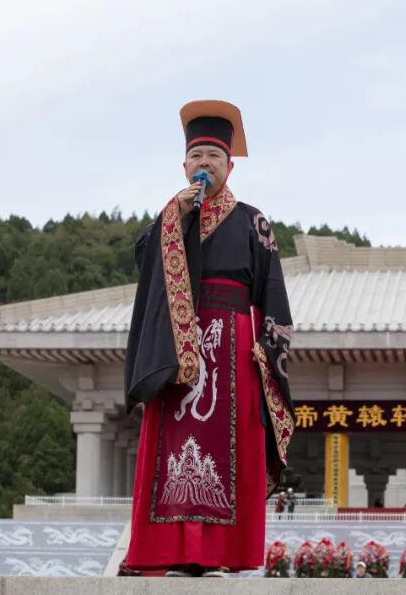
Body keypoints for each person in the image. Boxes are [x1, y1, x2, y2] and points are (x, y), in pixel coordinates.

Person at [121, 100, 294, 578]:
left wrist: (265, 349)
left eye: (213, 157)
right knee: (173, 449)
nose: (204, 165)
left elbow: (273, 294)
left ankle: (218, 554)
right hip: (178, 351)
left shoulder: (254, 222)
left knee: (229, 450)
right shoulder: (171, 221)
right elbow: (147, 275)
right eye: (196, 156)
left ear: (230, 166)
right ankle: (171, 553)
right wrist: (172, 219)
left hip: (233, 350)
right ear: (183, 165)